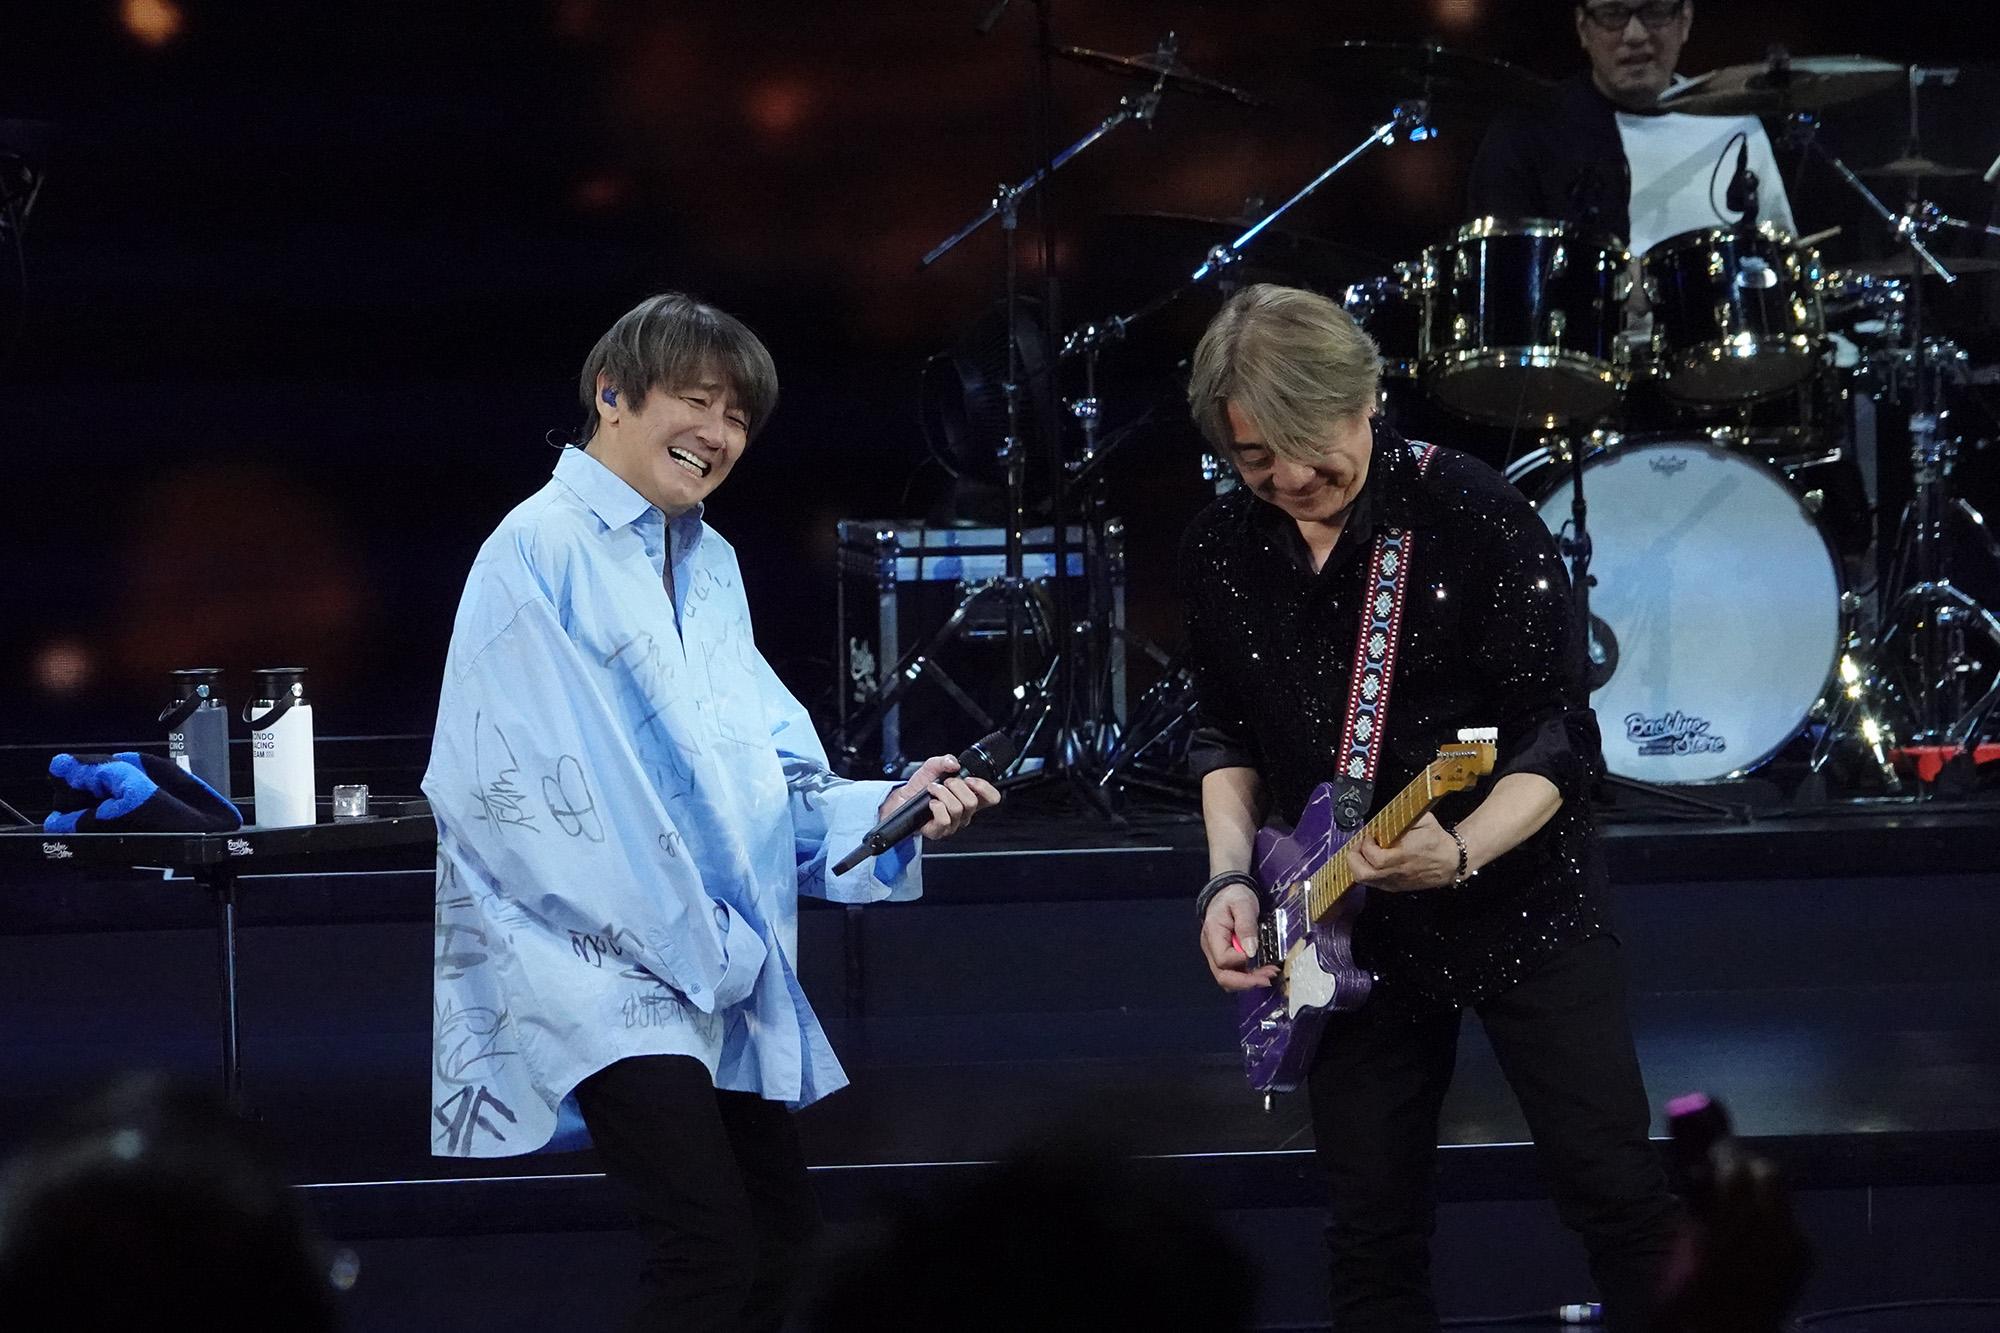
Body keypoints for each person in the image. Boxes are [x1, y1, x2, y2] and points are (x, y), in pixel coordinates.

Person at [422, 291, 1001, 1331]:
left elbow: (764, 772)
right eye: (696, 401)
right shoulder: (535, 550)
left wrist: (891, 808)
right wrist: (686, 930)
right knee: (708, 1252)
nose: (719, 434)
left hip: (713, 956)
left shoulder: (710, 563)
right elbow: (514, 798)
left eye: (737, 417)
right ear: (612, 394)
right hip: (597, 952)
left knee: (782, 1250)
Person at [1182, 284, 1678, 1331]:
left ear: (1366, 398)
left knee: (1615, 1191)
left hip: (1518, 900)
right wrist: (1229, 874)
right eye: (1253, 458)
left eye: (1308, 445)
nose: (1289, 480)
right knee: (1371, 1234)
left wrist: (1459, 852)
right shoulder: (1223, 548)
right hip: (1344, 922)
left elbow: (1554, 735)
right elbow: (1225, 732)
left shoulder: (1469, 513)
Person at [1469, 1, 1796, 257]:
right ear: (1583, 28)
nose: (1635, 35)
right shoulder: (1526, 132)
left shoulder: (1735, 125)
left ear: (1685, 20)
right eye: (1613, 14)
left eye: (1655, 12)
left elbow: (1781, 261)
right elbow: (1502, 278)